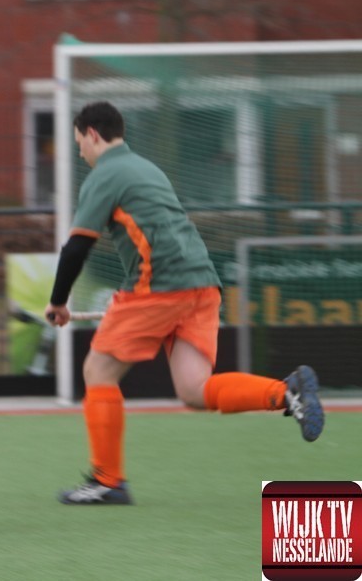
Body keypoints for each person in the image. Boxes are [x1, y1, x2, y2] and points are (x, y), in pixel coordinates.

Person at [45, 101, 325, 505]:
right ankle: (287, 393)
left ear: (92, 133)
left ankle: (107, 481)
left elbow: (77, 247)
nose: (80, 152)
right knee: (195, 390)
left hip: (157, 285)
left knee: (98, 371)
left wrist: (58, 302)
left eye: (79, 143)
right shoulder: (147, 168)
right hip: (202, 282)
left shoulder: (105, 174)